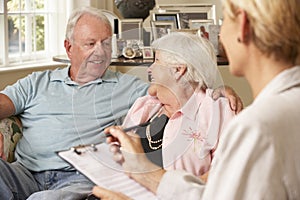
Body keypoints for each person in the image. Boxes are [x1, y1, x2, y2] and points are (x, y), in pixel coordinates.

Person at [0, 6, 241, 200]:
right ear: (68, 47)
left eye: (106, 43)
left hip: (78, 178)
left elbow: (182, 92)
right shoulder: (38, 82)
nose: (101, 52)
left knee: (45, 198)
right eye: (90, 43)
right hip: (25, 171)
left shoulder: (129, 88)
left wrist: (218, 90)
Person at [93, 0, 300, 199]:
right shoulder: (287, 107)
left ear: (242, 26)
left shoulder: (253, 126)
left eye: (225, 20)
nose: (220, 36)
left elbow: (218, 194)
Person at [121, 32, 235, 178]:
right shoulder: (144, 105)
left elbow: (228, 174)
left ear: (178, 70)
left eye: (156, 60)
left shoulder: (219, 111)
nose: (150, 69)